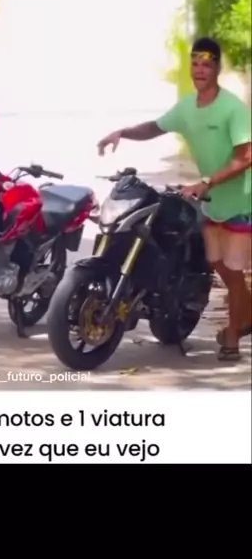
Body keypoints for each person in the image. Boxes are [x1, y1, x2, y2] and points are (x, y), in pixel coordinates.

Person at [97, 36, 252, 362]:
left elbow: (245, 157)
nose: (199, 70)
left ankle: (232, 338)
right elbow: (155, 127)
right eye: (195, 64)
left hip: (241, 202)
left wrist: (206, 182)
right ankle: (246, 314)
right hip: (211, 203)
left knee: (234, 272)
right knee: (218, 265)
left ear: (217, 68)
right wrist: (123, 132)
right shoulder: (187, 107)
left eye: (206, 64)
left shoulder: (233, 109)